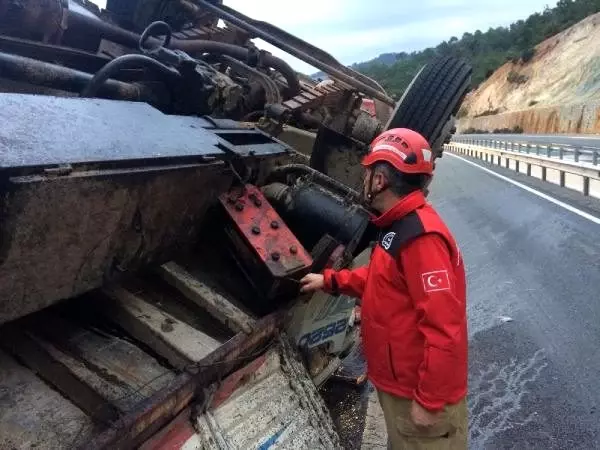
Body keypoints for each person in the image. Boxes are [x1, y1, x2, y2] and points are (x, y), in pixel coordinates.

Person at [300, 128, 468, 450]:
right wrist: (331, 281)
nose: (364, 180)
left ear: (380, 180)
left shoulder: (421, 239)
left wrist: (430, 401)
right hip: (400, 388)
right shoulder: (398, 225)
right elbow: (382, 282)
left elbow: (446, 328)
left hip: (417, 398)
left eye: (368, 173)